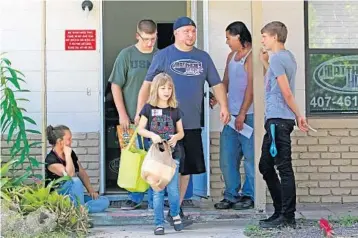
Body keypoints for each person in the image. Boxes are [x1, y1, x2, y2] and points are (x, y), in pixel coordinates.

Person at [136, 16, 230, 221]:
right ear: (176, 33)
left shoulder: (203, 57)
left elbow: (216, 84)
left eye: (193, 31)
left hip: (191, 124)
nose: (190, 34)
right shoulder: (163, 55)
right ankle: (159, 212)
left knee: (186, 168)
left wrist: (224, 106)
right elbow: (147, 84)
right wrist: (139, 112)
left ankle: (175, 211)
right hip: (163, 126)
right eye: (186, 31)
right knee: (161, 167)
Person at [258, 21, 309, 229]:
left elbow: (286, 91)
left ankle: (287, 216)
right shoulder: (286, 58)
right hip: (277, 120)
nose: (262, 40)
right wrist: (265, 63)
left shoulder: (278, 58)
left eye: (264, 37)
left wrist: (299, 115)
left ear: (275, 37)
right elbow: (275, 84)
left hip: (278, 121)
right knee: (266, 165)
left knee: (283, 168)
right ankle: (281, 212)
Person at [109, 19, 158, 210]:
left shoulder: (160, 55)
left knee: (155, 158)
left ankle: (156, 198)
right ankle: (135, 197)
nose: (149, 43)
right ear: (137, 35)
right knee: (133, 158)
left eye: (153, 39)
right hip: (130, 119)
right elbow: (115, 85)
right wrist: (122, 114)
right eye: (146, 39)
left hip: (156, 119)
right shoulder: (126, 55)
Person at [137, 73, 187, 235]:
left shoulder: (175, 110)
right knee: (158, 190)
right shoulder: (148, 108)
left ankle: (174, 214)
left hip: (173, 155)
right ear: (156, 89)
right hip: (157, 158)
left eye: (169, 88)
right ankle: (158, 223)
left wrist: (176, 137)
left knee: (173, 189)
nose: (166, 91)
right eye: (163, 88)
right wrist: (152, 135)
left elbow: (181, 132)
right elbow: (140, 129)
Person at [214, 21, 255, 210]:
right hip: (231, 117)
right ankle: (231, 194)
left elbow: (251, 89)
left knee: (249, 158)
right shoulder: (231, 56)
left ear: (238, 36)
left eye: (228, 38)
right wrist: (218, 99)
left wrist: (243, 113)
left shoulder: (252, 56)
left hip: (249, 115)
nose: (227, 42)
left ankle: (249, 195)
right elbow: (226, 82)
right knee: (227, 157)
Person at [45, 125, 110, 214]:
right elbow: (70, 175)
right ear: (60, 141)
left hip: (73, 197)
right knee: (75, 181)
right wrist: (67, 155)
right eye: (69, 139)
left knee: (104, 201)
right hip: (60, 197)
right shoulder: (51, 160)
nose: (71, 141)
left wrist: (91, 190)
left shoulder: (71, 154)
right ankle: (79, 209)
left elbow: (81, 172)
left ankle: (78, 209)